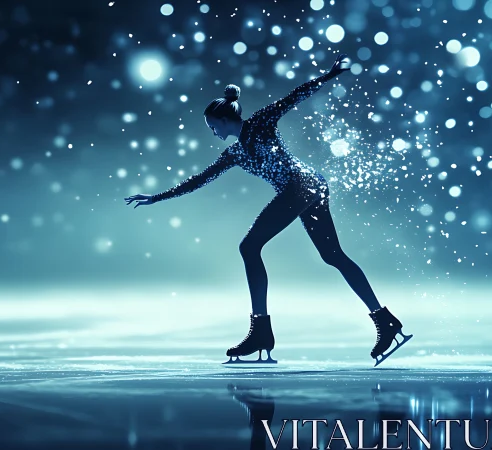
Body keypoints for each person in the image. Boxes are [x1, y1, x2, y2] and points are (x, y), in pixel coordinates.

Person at [125, 53, 411, 366]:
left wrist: (328, 77)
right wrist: (158, 197)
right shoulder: (234, 154)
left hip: (302, 186)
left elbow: (292, 97)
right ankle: (385, 321)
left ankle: (261, 331)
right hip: (311, 186)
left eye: (212, 125)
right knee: (332, 256)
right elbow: (200, 180)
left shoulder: (259, 123)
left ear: (223, 120)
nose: (212, 132)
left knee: (250, 247)